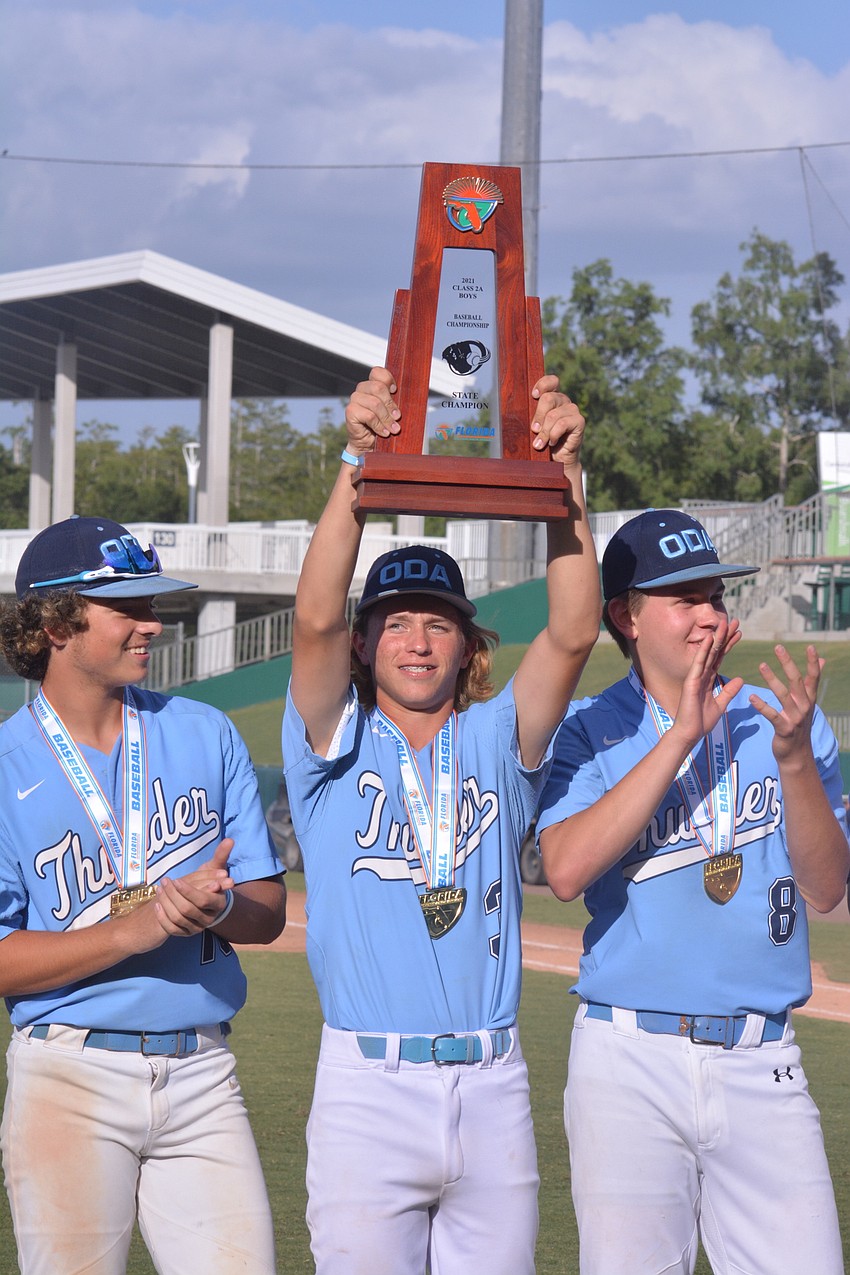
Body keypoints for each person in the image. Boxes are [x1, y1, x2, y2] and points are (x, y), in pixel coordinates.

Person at [283, 366, 600, 1274]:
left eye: (437, 623)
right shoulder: (330, 741)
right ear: (364, 640)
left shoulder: (499, 736)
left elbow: (575, 630)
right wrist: (358, 463)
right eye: (394, 622)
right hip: (367, 1088)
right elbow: (310, 621)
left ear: (468, 643)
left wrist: (564, 481)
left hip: (493, 1082)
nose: (416, 641)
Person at [536, 508, 849, 1275]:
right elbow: (567, 869)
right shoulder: (588, 730)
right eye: (685, 597)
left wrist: (795, 758)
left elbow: (826, 886)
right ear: (626, 616)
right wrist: (680, 734)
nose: (710, 613)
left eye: (715, 594)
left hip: (761, 1059)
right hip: (627, 1059)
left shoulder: (780, 721)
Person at [0, 515, 286, 1275]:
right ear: (56, 622)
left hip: (201, 1070)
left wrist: (218, 908)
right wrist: (132, 931)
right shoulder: (4, 765)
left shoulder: (205, 731)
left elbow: (267, 906)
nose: (152, 624)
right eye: (127, 606)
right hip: (69, 1078)